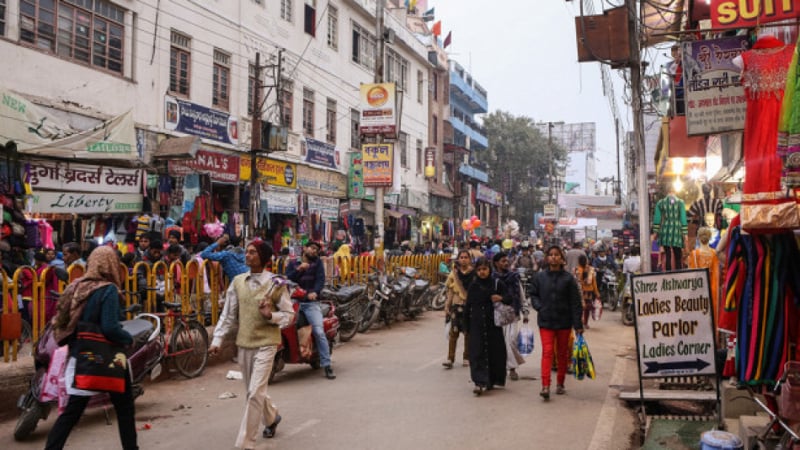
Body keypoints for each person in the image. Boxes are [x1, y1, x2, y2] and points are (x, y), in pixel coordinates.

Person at [46, 246, 137, 450]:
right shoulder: (108, 290)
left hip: (82, 355)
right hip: (110, 357)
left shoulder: (78, 286)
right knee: (124, 408)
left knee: (73, 410)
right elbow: (110, 327)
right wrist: (128, 338)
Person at [209, 240, 294, 448]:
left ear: (263, 257)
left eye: (253, 252)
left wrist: (271, 316)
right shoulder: (237, 282)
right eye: (247, 252)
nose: (247, 255)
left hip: (267, 343)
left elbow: (289, 315)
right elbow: (228, 315)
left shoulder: (276, 283)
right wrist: (217, 339)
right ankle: (272, 417)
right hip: (245, 343)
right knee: (252, 392)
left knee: (255, 392)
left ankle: (245, 443)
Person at [530, 245, 583, 400]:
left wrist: (578, 324)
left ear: (561, 258)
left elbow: (575, 303)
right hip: (546, 321)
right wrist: (540, 307)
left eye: (556, 255)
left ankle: (560, 383)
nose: (553, 257)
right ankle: (545, 386)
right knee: (547, 352)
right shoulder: (539, 277)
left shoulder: (568, 279)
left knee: (562, 354)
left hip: (564, 322)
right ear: (547, 258)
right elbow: (533, 295)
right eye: (551, 254)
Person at [286, 241, 336, 379]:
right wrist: (299, 270)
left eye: (317, 250)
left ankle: (327, 365)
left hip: (311, 304)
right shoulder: (293, 262)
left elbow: (320, 280)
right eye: (312, 248)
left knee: (319, 332)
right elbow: (287, 278)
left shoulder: (318, 263)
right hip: (293, 303)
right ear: (305, 248)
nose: (314, 251)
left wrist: (315, 292)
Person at [463, 257, 511, 395]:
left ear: (489, 269)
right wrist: (466, 326)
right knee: (476, 352)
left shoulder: (497, 284)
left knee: (494, 352)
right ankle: (479, 382)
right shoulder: (474, 286)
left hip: (493, 324)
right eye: (479, 270)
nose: (482, 272)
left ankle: (490, 380)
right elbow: (468, 306)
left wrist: (500, 298)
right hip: (476, 324)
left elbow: (510, 298)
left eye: (484, 269)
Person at [492, 252, 529, 381]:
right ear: (496, 263)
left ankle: (512, 367)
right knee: (502, 342)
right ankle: (509, 369)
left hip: (512, 313)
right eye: (503, 261)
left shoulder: (514, 277)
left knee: (511, 340)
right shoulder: (492, 278)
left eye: (507, 261)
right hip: (497, 314)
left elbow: (521, 294)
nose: (506, 263)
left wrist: (525, 311)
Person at [443, 250, 474, 369]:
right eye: (461, 257)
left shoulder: (474, 274)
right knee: (453, 333)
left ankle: (466, 358)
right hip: (456, 306)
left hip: (469, 307)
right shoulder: (453, 274)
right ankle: (450, 359)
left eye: (466, 257)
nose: (463, 259)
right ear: (458, 259)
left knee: (468, 334)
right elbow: (450, 291)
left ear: (470, 259)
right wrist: (447, 306)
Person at [574, 254, 599, 329]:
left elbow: (574, 282)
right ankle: (585, 323)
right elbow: (594, 282)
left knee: (579, 307)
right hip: (589, 292)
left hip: (579, 291)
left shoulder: (576, 269)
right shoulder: (591, 269)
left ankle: (579, 321)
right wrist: (596, 292)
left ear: (578, 261)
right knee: (587, 308)